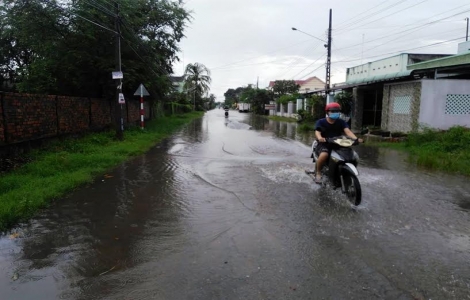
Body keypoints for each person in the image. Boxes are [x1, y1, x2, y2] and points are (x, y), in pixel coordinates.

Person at [314, 102, 363, 184]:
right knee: (324, 155)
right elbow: (317, 132)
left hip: (338, 143)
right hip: (325, 143)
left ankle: (346, 172)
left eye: (336, 111)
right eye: (332, 111)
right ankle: (318, 173)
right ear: (327, 112)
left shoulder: (341, 122)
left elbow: (347, 131)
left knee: (353, 156)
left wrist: (356, 139)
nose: (335, 113)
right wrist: (320, 138)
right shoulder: (321, 122)